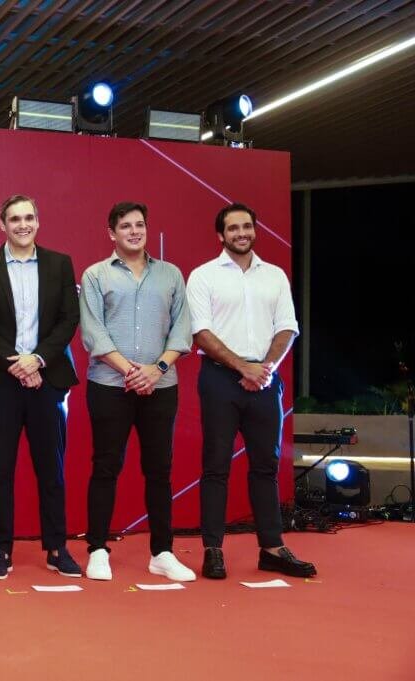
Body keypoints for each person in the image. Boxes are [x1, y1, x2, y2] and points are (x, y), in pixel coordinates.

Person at [186, 202, 316, 579]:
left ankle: (272, 548)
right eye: (233, 228)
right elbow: (201, 332)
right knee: (216, 467)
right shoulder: (203, 276)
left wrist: (265, 369)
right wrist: (242, 367)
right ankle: (213, 550)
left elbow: (287, 327)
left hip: (264, 381)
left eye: (246, 226)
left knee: (266, 467)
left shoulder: (274, 276)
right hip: (219, 380)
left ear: (254, 230)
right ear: (220, 235)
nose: (241, 233)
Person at [0, 194, 81, 580]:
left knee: (52, 468)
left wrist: (38, 359)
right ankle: (1, 550)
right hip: (0, 380)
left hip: (47, 378)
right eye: (14, 219)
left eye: (29, 217)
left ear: (38, 221)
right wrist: (16, 363)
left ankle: (57, 548)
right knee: (1, 469)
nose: (23, 225)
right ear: (3, 225)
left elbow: (68, 319)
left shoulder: (59, 263)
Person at [79, 202, 195, 582]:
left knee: (159, 470)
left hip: (160, 386)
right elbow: (93, 333)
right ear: (111, 233)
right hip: (109, 386)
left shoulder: (171, 274)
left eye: (140, 224)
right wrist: (131, 371)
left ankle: (162, 552)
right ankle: (97, 549)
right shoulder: (96, 275)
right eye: (126, 226)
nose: (134, 231)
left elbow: (182, 331)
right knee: (106, 466)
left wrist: (155, 370)